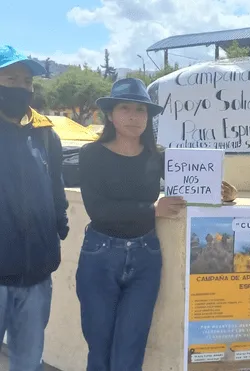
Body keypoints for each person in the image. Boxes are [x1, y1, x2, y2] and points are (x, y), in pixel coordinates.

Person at [77, 77, 237, 371]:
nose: (133, 116)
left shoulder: (160, 156)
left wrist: (219, 190)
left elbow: (192, 183)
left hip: (145, 257)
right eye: (125, 108)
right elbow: (98, 210)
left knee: (131, 347)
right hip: (100, 256)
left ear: (148, 117)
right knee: (99, 348)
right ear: (110, 114)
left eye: (141, 110)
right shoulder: (92, 155)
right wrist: (153, 209)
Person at [0, 45, 70, 371]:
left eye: (26, 81)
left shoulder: (45, 135)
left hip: (37, 278)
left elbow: (55, 186)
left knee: (28, 363)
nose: (21, 87)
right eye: (10, 78)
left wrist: (60, 218)